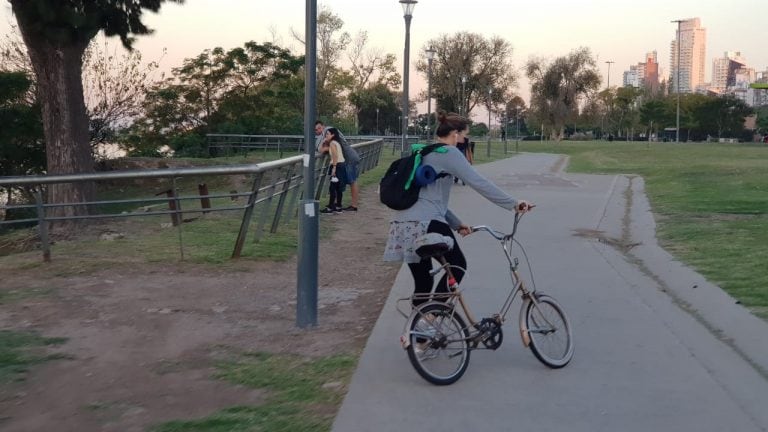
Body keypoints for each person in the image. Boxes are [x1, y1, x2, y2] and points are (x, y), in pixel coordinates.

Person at [383, 111, 533, 306]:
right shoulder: (449, 153)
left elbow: (427, 200)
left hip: (402, 226)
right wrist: (513, 203)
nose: (464, 140)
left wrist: (456, 224)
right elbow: (478, 182)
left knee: (423, 282)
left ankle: (417, 333)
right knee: (458, 266)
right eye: (464, 136)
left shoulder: (425, 153)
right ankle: (433, 318)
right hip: (426, 223)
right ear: (455, 133)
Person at [315, 120, 360, 211]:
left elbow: (320, 149)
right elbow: (322, 149)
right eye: (316, 130)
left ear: (324, 126)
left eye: (319, 128)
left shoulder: (328, 130)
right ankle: (336, 204)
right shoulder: (332, 139)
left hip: (349, 159)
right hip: (345, 159)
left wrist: (323, 143)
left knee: (351, 181)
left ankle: (354, 205)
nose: (318, 131)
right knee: (338, 183)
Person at [320, 127, 347, 214]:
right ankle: (338, 206)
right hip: (341, 164)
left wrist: (334, 167)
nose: (326, 136)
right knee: (339, 187)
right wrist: (324, 142)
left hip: (337, 165)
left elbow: (335, 155)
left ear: (333, 135)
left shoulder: (332, 143)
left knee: (332, 188)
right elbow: (322, 150)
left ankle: (331, 207)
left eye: (328, 134)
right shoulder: (336, 143)